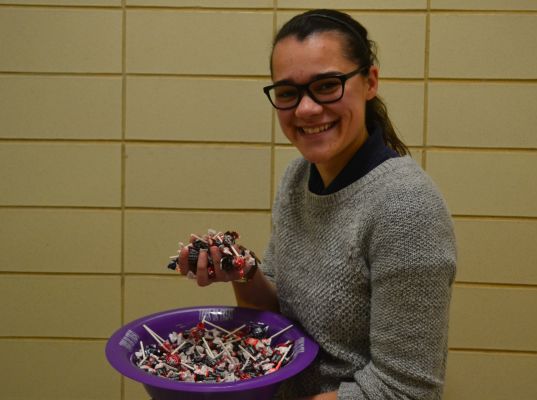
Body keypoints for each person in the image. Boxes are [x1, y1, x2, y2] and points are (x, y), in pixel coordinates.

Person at [177, 9, 456, 400]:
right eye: (288, 93)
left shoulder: (406, 207)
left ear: (370, 81)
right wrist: (243, 271)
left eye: (327, 85)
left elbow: (404, 391)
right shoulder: (297, 178)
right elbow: (279, 322)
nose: (306, 109)